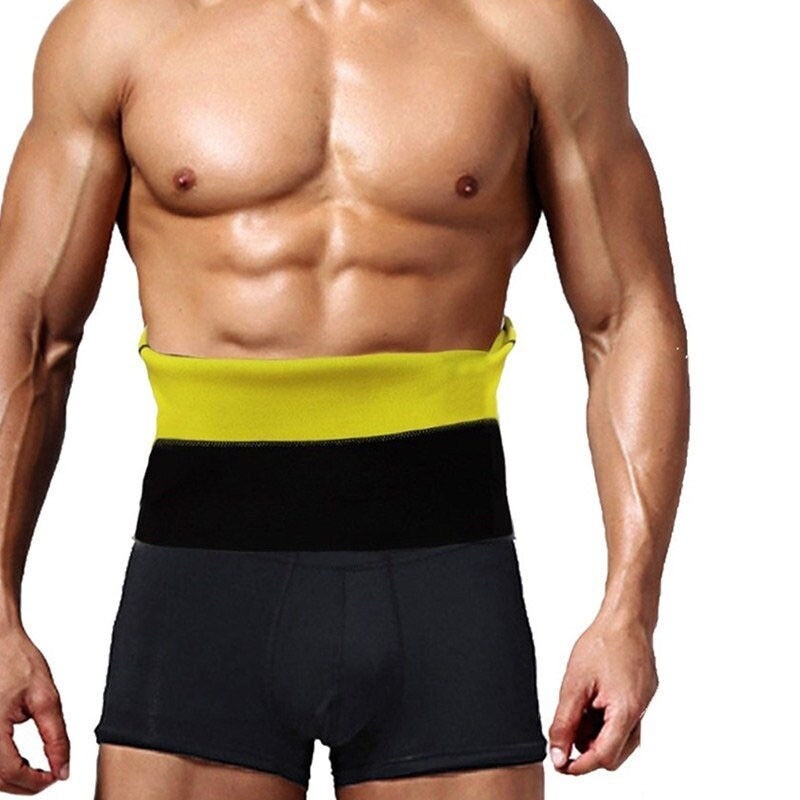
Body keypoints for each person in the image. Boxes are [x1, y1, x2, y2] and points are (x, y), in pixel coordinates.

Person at [0, 0, 689, 797]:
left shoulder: (533, 26)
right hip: (202, 583)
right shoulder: (122, 28)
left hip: (448, 576)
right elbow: (31, 331)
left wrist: (630, 610)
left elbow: (628, 315)